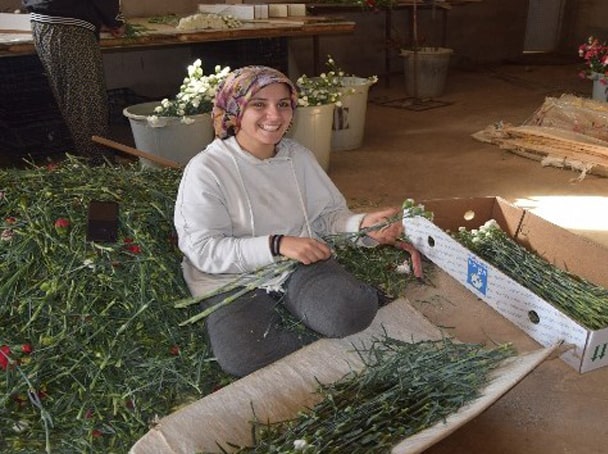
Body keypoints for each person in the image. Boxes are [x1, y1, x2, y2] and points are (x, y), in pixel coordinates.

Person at [174, 66, 403, 377]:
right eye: (259, 104)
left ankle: (326, 309)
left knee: (349, 312)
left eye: (283, 104)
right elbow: (202, 249)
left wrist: (361, 226)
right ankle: (306, 328)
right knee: (244, 356)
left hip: (299, 265)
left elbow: (326, 216)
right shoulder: (207, 169)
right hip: (231, 279)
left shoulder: (298, 157)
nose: (275, 115)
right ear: (234, 110)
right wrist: (277, 244)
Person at [22, 0, 125, 163]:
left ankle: (93, 159)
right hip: (69, 28)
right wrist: (114, 21)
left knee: (75, 101)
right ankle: (99, 164)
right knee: (86, 102)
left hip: (45, 22)